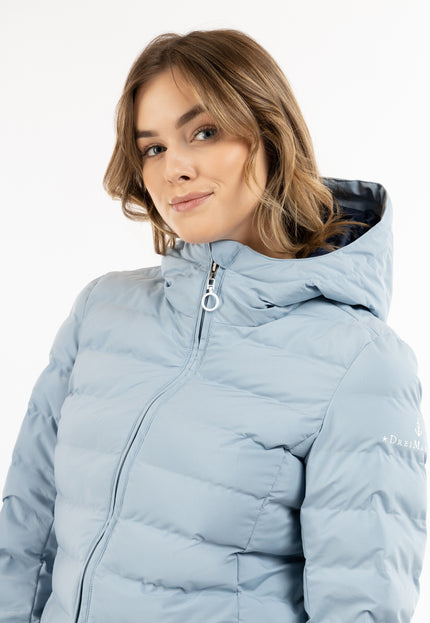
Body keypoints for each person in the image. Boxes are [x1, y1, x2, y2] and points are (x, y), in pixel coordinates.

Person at [0, 28, 427, 623]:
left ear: (270, 135)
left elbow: (360, 607)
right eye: (152, 148)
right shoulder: (101, 311)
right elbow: (25, 534)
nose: (174, 168)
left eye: (204, 132)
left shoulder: (361, 362)